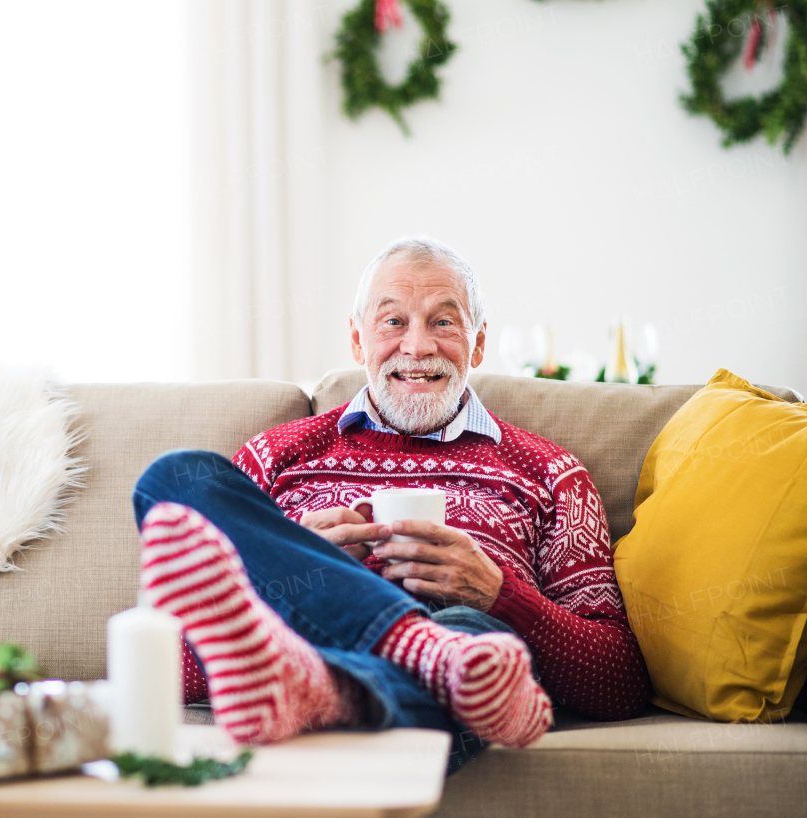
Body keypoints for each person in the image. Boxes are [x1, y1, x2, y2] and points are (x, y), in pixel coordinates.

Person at [131, 237, 649, 769]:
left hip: (462, 636)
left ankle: (329, 691)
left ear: (477, 344)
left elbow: (619, 683)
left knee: (478, 644)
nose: (418, 346)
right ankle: (408, 659)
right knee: (170, 478)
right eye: (393, 322)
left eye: (443, 322)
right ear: (358, 341)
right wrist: (296, 574)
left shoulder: (549, 473)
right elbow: (160, 663)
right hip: (308, 644)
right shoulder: (274, 456)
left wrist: (498, 595)